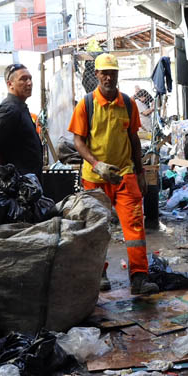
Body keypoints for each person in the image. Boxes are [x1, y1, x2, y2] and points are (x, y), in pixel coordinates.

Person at [68, 53, 159, 295]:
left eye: (113, 72)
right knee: (96, 228)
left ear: (117, 75)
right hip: (95, 178)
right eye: (104, 72)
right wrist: (96, 164)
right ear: (96, 75)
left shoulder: (128, 104)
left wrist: (140, 172)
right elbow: (78, 140)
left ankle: (139, 277)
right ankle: (99, 272)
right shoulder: (86, 104)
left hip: (124, 174)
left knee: (135, 227)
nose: (108, 77)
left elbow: (134, 141)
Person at [0, 63, 43, 178]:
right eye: (23, 79)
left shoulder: (20, 106)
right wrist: (1, 173)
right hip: (19, 184)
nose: (29, 83)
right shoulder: (10, 108)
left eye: (30, 78)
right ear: (10, 84)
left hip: (29, 181)